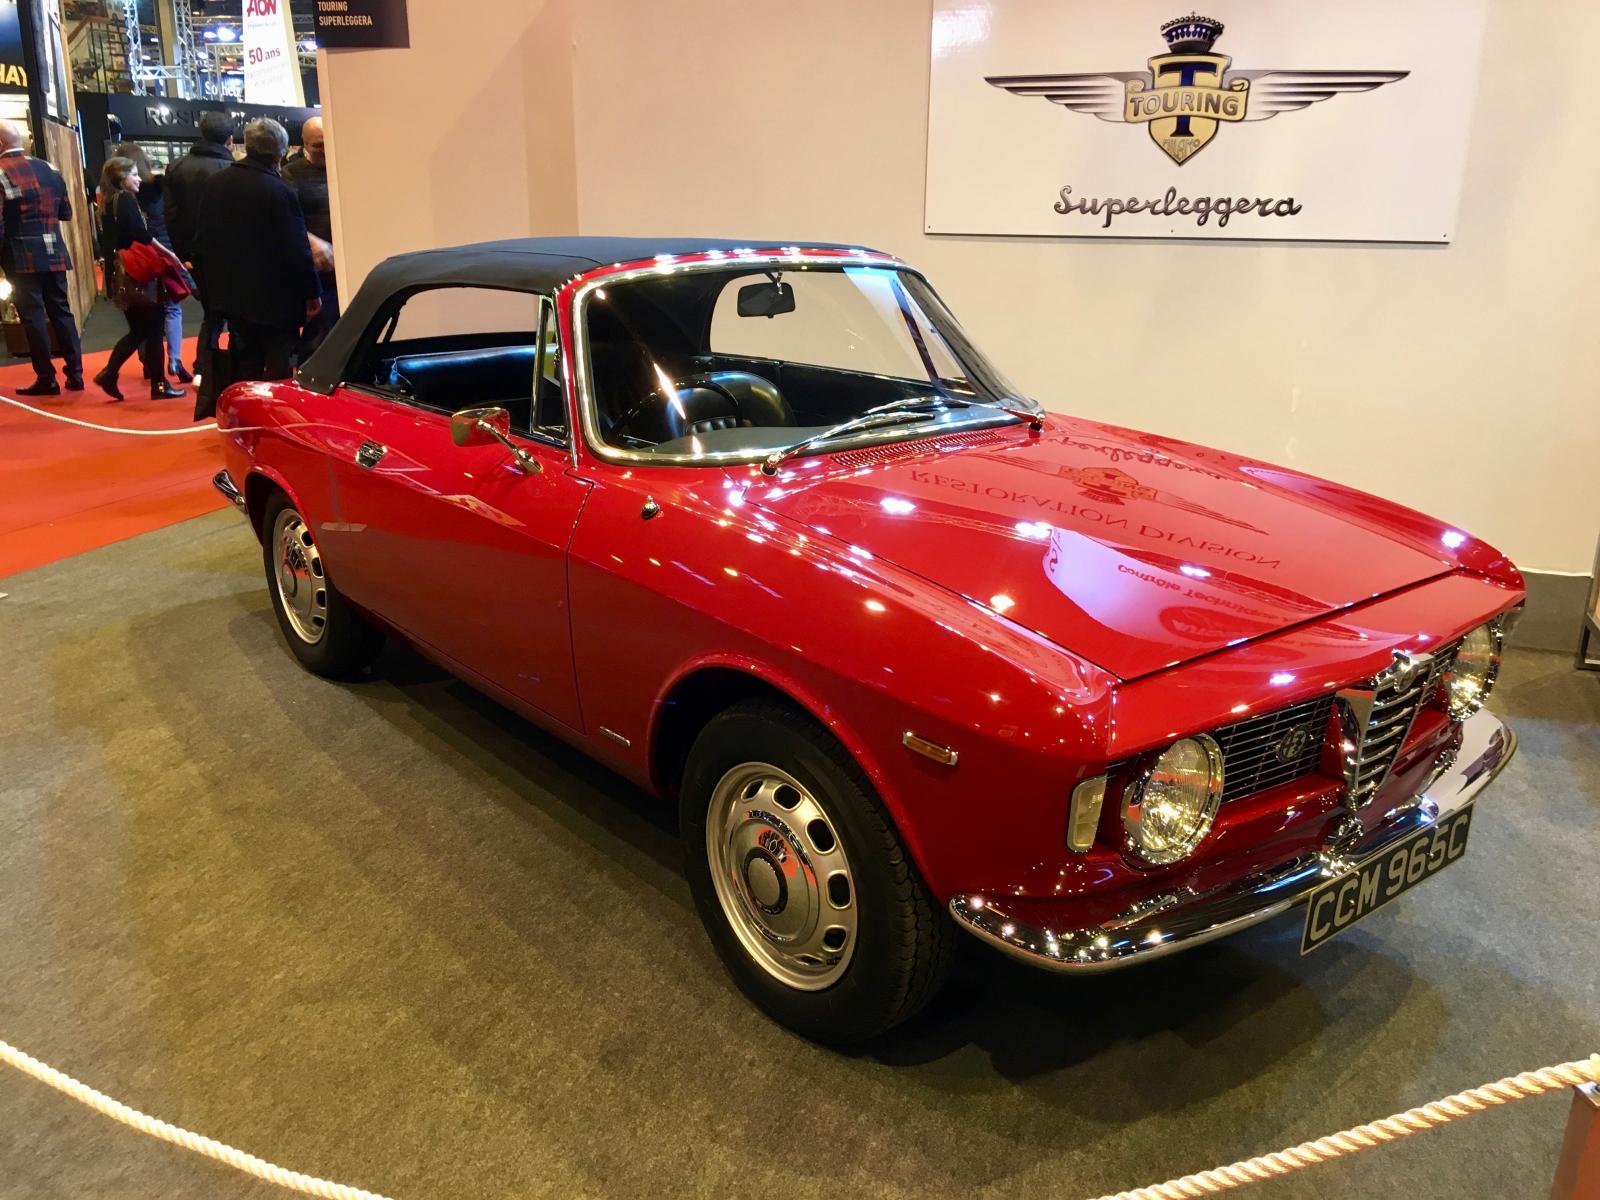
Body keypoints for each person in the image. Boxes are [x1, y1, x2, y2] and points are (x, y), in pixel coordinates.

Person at [194, 118, 319, 384]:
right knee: (278, 366)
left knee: (245, 363)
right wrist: (311, 292)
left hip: (232, 295)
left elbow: (203, 240)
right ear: (280, 151)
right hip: (276, 299)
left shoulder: (215, 183)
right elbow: (296, 248)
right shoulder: (279, 189)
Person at [0, 121, 84, 396]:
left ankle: (47, 378)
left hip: (19, 255)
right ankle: (76, 374)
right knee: (62, 310)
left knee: (33, 316)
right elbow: (65, 213)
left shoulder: (1, 173)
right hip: (53, 250)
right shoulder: (50, 168)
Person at [94, 156, 185, 402]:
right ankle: (157, 384)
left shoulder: (108, 201)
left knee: (141, 330)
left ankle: (113, 374)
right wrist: (169, 254)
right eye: (133, 174)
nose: (138, 179)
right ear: (121, 177)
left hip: (121, 275)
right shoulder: (125, 199)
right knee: (151, 329)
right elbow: (141, 234)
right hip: (137, 275)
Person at [111, 142, 190, 384]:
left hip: (140, 259)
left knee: (144, 309)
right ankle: (174, 360)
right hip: (162, 251)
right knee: (171, 309)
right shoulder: (158, 187)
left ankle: (148, 361)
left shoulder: (118, 197)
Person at [165, 112, 234, 378]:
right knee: (231, 316)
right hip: (229, 255)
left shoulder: (177, 167)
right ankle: (211, 368)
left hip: (195, 256)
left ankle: (203, 368)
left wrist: (183, 255)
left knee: (211, 314)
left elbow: (171, 216)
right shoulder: (233, 168)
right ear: (230, 139)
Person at [281, 115, 337, 354]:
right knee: (318, 330)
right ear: (304, 144)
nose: (324, 150)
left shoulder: (343, 168)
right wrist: (311, 241)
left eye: (327, 143)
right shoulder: (291, 174)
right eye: (318, 145)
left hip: (344, 261)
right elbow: (285, 218)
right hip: (315, 266)